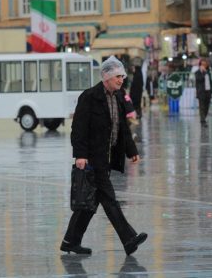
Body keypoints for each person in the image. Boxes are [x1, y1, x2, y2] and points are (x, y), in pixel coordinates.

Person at [60, 55, 147, 256]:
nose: (121, 79)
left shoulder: (118, 97)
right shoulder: (89, 97)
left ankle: (70, 241)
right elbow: (78, 129)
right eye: (118, 76)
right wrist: (80, 155)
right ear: (106, 77)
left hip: (107, 158)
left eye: (122, 76)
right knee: (109, 199)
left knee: (89, 205)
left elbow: (123, 127)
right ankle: (129, 239)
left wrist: (131, 150)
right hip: (93, 159)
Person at [195, 59, 212, 128]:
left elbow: (210, 81)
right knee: (202, 106)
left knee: (207, 106)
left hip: (208, 91)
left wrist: (211, 90)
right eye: (202, 64)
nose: (204, 66)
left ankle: (204, 118)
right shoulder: (197, 73)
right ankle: (202, 120)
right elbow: (199, 79)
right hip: (201, 92)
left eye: (205, 65)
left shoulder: (208, 72)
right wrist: (203, 72)